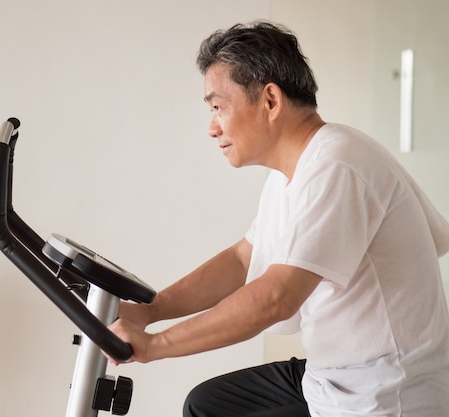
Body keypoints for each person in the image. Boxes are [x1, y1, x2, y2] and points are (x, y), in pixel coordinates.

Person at [105, 21, 449, 417]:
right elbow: (242, 259)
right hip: (328, 376)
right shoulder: (292, 172)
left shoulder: (339, 163)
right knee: (206, 406)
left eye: (218, 107)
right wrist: (151, 310)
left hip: (383, 391)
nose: (212, 127)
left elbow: (276, 297)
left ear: (270, 100)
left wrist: (156, 345)